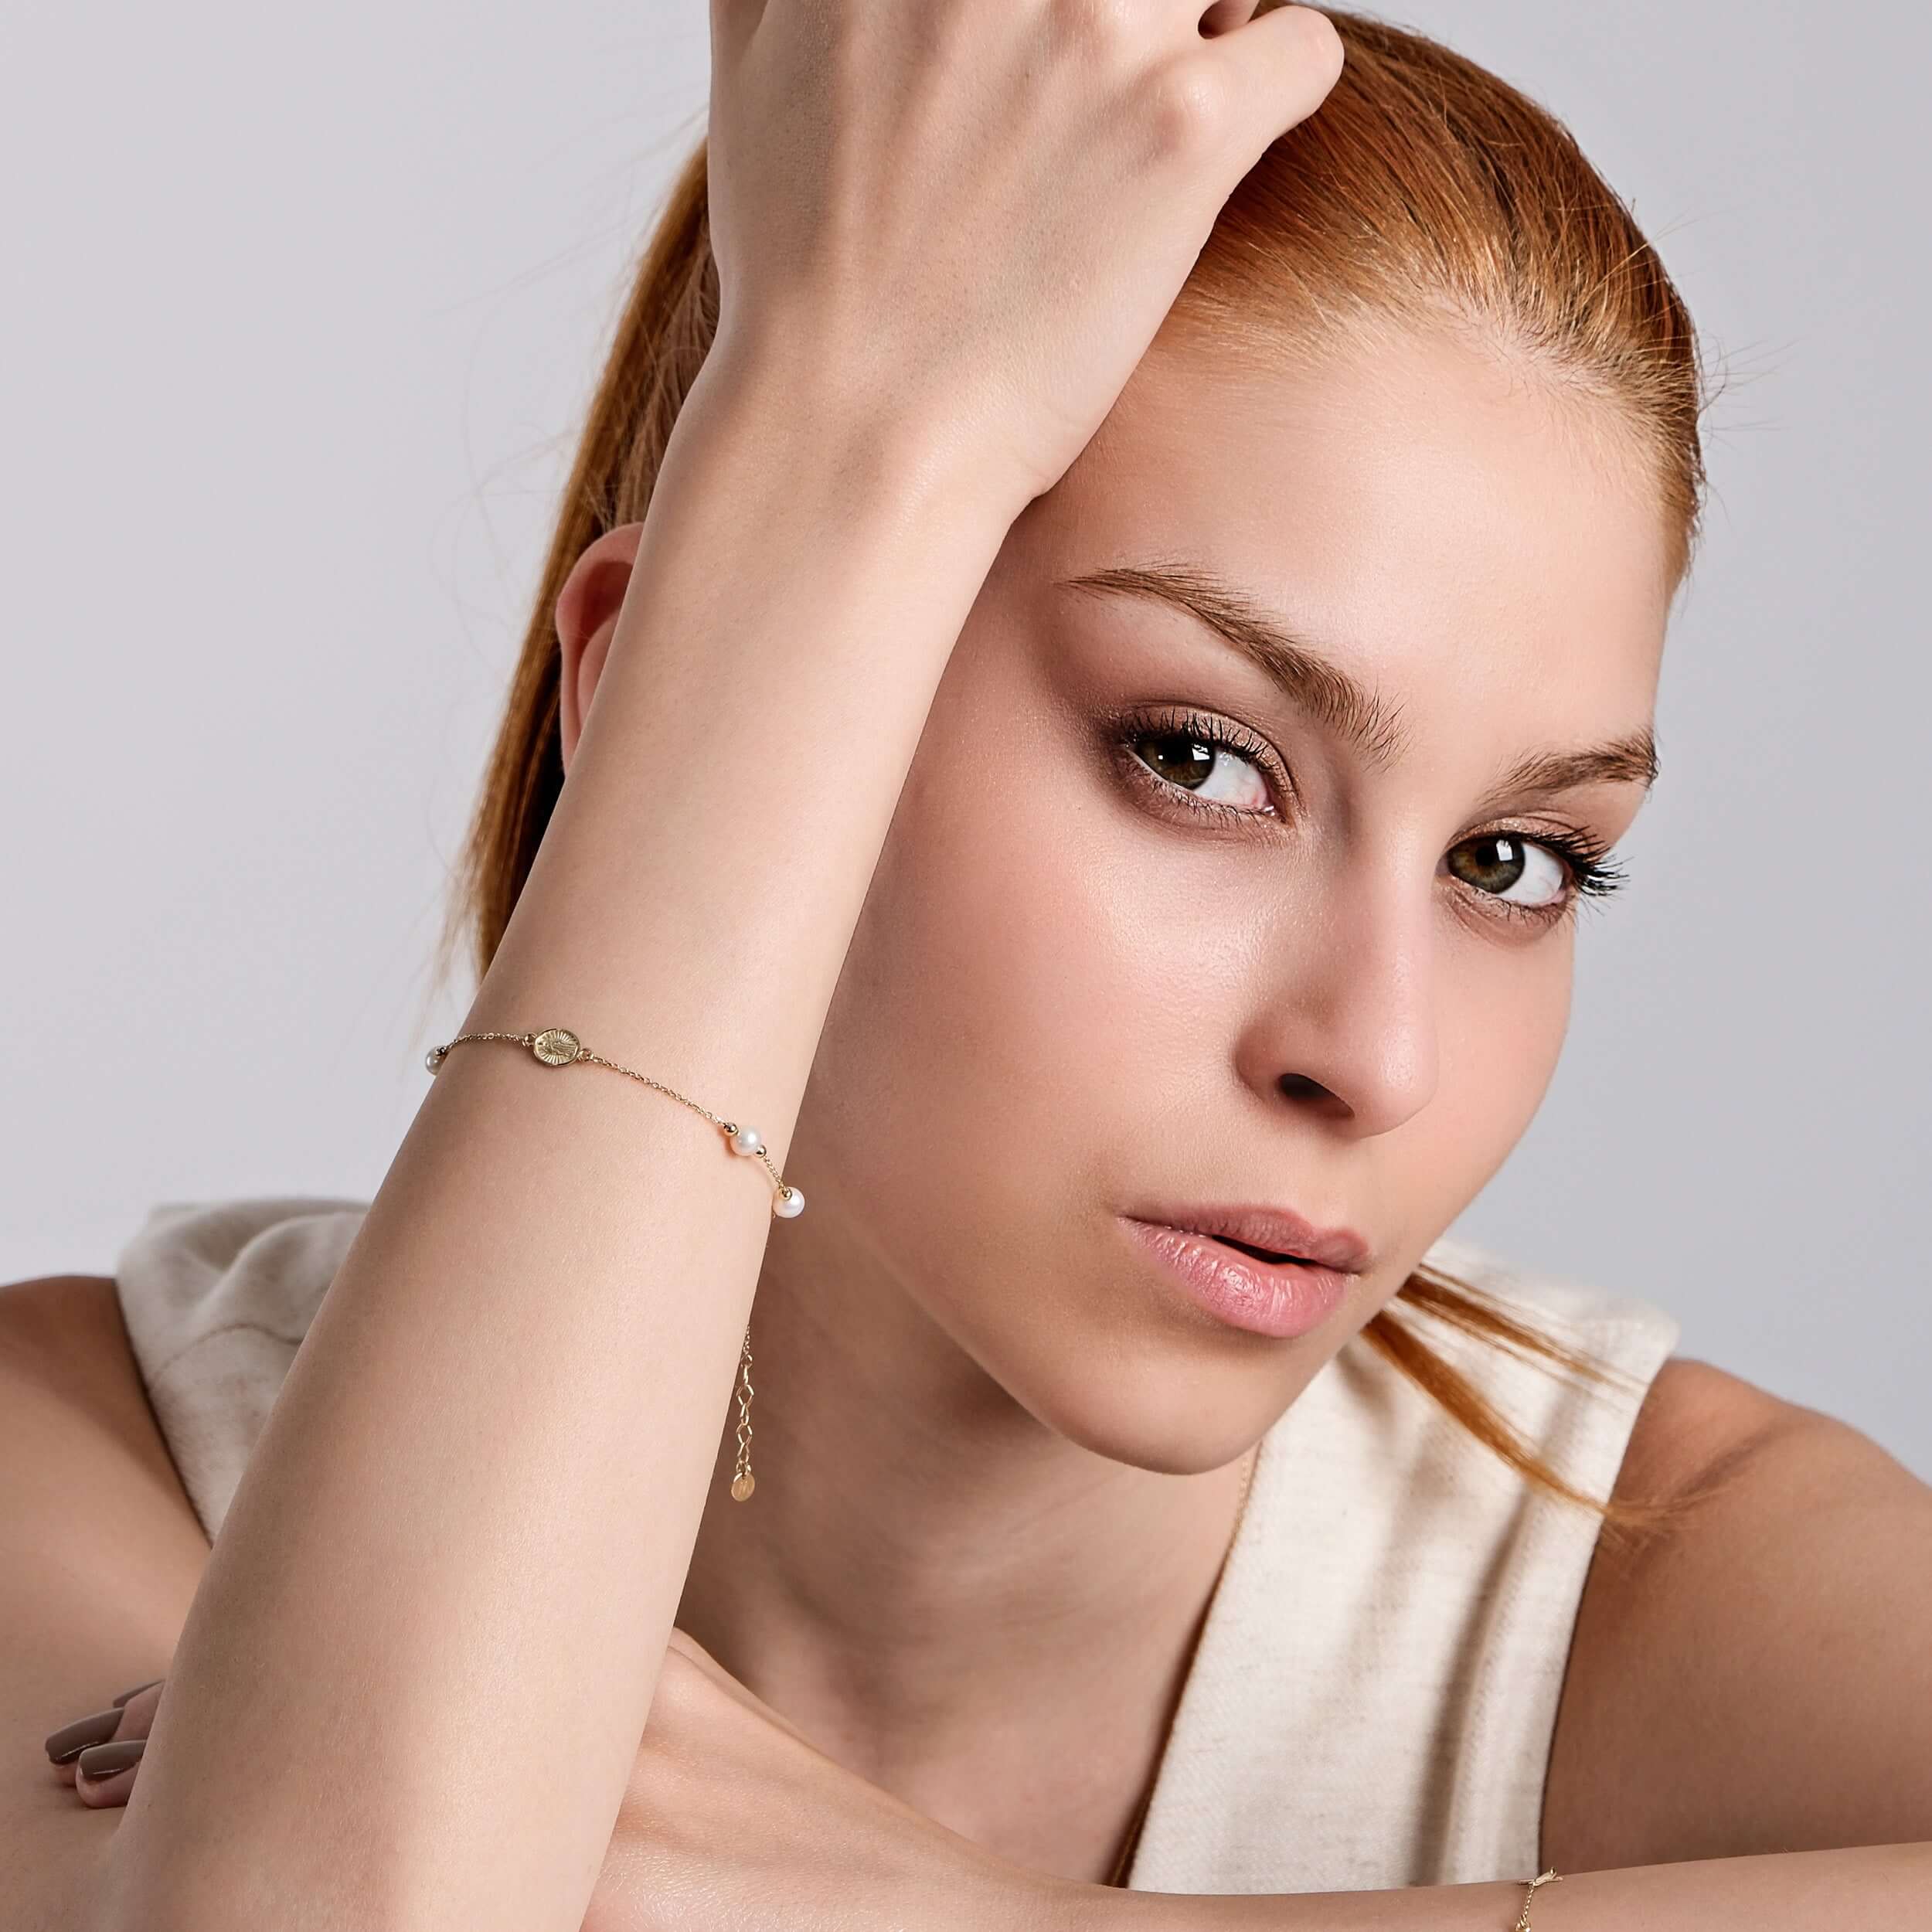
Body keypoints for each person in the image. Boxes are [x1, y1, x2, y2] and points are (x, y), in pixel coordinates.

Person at [7, 3, 1929, 1927]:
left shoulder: (1654, 1567)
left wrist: (979, 1916)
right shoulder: (99, 1468)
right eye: (1197, 756)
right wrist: (837, 426)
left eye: (1516, 860)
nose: (1377, 1051)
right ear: (664, 668)